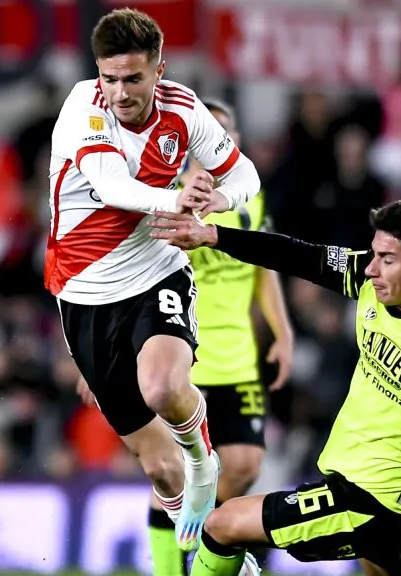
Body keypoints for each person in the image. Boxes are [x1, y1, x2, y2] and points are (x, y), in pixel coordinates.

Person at [149, 197, 401, 576]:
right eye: (374, 253)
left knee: (223, 525)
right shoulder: (370, 279)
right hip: (381, 496)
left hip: (373, 501)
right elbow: (294, 254)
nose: (372, 267)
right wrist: (215, 236)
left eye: (387, 259)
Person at [46, 8, 261, 552]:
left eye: (133, 78)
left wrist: (218, 198)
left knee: (163, 387)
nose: (119, 92)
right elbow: (111, 184)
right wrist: (178, 199)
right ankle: (211, 543)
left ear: (158, 70)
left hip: (153, 273)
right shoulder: (82, 106)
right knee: (160, 471)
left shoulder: (184, 111)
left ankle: (203, 461)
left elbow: (245, 176)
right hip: (83, 293)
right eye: (110, 78)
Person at [146, 99, 294, 575]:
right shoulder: (166, 195)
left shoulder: (249, 198)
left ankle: (205, 548)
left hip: (237, 358)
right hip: (181, 356)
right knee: (171, 471)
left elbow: (265, 266)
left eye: (224, 138)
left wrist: (283, 331)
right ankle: (175, 569)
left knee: (245, 465)